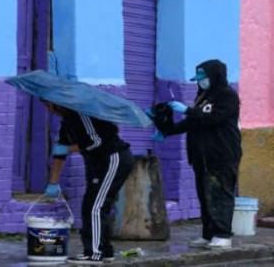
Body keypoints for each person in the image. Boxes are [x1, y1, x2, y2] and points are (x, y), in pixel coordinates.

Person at [156, 59, 241, 249]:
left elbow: (213, 118)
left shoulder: (228, 96)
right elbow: (194, 122)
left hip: (221, 154)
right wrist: (168, 131)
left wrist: (188, 110)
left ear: (215, 76)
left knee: (220, 194)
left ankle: (223, 234)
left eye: (203, 78)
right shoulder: (202, 95)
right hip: (200, 155)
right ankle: (208, 233)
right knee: (204, 195)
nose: (200, 82)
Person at [43, 102, 134, 265]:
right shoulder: (67, 122)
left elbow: (96, 142)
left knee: (96, 207)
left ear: (54, 103)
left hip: (113, 158)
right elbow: (59, 152)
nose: (47, 108)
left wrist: (69, 149)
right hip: (97, 164)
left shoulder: (83, 114)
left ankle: (94, 254)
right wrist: (53, 182)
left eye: (47, 104)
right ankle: (105, 251)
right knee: (91, 205)